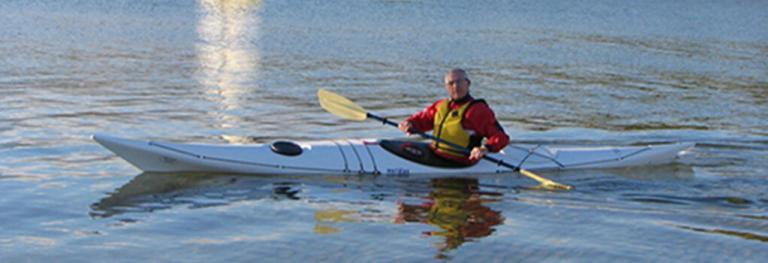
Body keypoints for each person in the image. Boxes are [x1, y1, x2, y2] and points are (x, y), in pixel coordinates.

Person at [398, 68, 509, 164]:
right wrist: (409, 123)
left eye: (459, 82)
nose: (455, 86)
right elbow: (422, 120)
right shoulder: (441, 105)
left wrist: (485, 148)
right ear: (446, 87)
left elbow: (501, 137)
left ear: (468, 83)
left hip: (459, 161)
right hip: (435, 153)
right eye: (451, 83)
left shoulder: (478, 110)